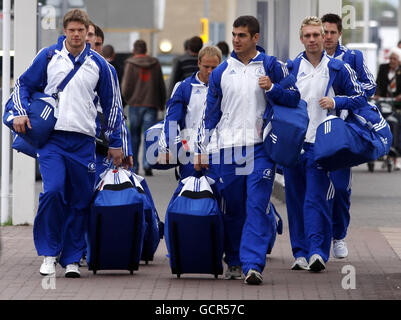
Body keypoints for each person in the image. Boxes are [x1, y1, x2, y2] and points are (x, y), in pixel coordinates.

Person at [11, 9, 124, 278]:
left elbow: (112, 106)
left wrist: (116, 142)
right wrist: (19, 111)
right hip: (52, 140)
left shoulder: (99, 65)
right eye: (71, 30)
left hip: (84, 142)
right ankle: (49, 254)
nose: (76, 35)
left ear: (88, 32)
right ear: (64, 31)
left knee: (80, 200)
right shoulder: (48, 56)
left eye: (80, 31)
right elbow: (22, 85)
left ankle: (72, 258)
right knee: (53, 192)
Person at [195, 15, 300, 285]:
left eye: (242, 35)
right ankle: (234, 260)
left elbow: (294, 96)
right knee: (233, 208)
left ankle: (253, 265)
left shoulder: (271, 65)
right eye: (234, 35)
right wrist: (201, 149)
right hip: (227, 149)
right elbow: (210, 114)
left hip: (260, 148)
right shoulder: (220, 72)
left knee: (256, 205)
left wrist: (273, 88)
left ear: (256, 38)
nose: (236, 40)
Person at [283, 16, 367, 273]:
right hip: (294, 145)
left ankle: (318, 252)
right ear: (301, 39)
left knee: (316, 198)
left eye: (316, 35)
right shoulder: (291, 67)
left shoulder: (339, 67)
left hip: (322, 144)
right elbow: (277, 100)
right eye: (307, 36)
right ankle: (299, 252)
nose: (312, 40)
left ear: (324, 37)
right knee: (295, 200)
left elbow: (360, 96)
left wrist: (336, 102)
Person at [321, 13, 377, 259]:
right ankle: (316, 242)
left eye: (332, 32)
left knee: (341, 188)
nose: (327, 37)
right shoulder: (309, 59)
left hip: (343, 130)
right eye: (324, 32)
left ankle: (339, 235)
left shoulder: (352, 57)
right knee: (315, 189)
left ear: (339, 33)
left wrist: (344, 94)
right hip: (315, 130)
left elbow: (370, 86)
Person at [158, 45, 222, 180]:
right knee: (188, 196)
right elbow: (171, 120)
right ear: (198, 63)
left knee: (217, 197)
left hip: (218, 153)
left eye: (214, 68)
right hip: (190, 153)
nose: (210, 71)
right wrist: (171, 149)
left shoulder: (225, 87)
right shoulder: (184, 87)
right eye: (206, 67)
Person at [121, 39, 167, 176]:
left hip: (135, 104)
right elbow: (160, 84)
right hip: (151, 103)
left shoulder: (130, 63)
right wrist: (161, 102)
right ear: (146, 50)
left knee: (134, 136)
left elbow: (126, 86)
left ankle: (134, 165)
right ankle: (148, 163)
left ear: (134, 50)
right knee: (149, 135)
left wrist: (127, 99)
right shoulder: (155, 63)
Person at [374, 47, 401, 170]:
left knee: (396, 122)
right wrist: (377, 94)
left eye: (394, 58)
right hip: (383, 101)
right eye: (390, 58)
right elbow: (378, 84)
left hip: (397, 104)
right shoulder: (383, 68)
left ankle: (394, 153)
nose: (392, 60)